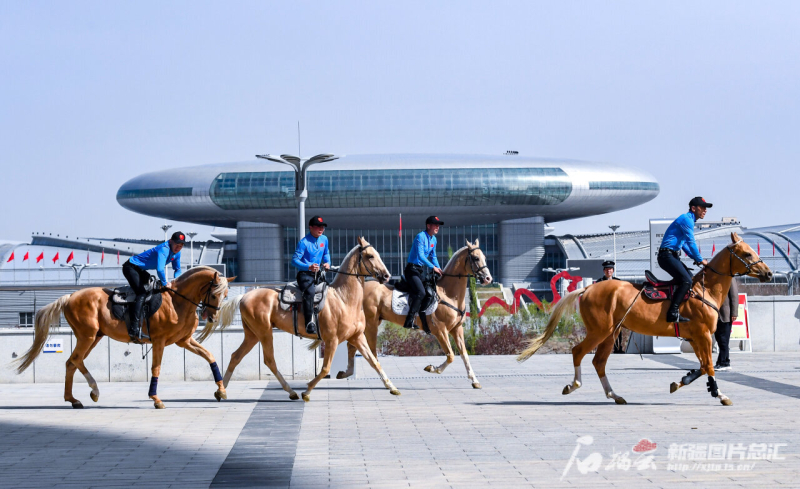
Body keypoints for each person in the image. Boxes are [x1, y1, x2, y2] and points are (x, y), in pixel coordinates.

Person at [122, 231, 185, 342]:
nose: (178, 248)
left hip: (140, 270)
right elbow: (160, 269)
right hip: (130, 267)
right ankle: (134, 328)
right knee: (141, 293)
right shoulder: (164, 249)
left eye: (181, 246)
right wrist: (165, 283)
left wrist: (176, 281)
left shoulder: (177, 253)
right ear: (170, 241)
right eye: (176, 245)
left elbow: (177, 269)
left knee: (154, 287)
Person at [657, 197, 711, 323]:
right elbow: (691, 243)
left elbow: (684, 245)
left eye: (705, 208)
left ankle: (680, 309)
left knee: (690, 279)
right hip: (666, 256)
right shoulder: (687, 220)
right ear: (693, 208)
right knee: (686, 280)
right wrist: (700, 259)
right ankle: (672, 313)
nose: (705, 210)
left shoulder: (688, 220)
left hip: (671, 255)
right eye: (702, 207)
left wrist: (695, 258)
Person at [292, 216, 331, 335]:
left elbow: (326, 253)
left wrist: (328, 263)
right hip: (304, 275)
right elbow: (294, 260)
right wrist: (308, 266)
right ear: (310, 228)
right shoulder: (303, 243)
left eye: (322, 227)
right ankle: (309, 322)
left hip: (319, 274)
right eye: (318, 227)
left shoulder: (324, 239)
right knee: (310, 293)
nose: (321, 229)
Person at [403, 216, 444, 329]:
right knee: (421, 292)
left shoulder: (434, 240)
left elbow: (433, 256)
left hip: (419, 271)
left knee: (429, 292)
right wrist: (432, 267)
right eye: (435, 224)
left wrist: (439, 268)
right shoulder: (420, 237)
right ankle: (408, 321)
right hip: (411, 270)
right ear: (428, 226)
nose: (437, 227)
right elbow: (421, 256)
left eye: (438, 225)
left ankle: (422, 317)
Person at [714, 279, 739, 371]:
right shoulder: (716, 276)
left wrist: (734, 313)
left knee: (724, 339)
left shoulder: (730, 278)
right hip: (716, 314)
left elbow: (734, 296)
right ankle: (722, 361)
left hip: (726, 314)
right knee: (719, 339)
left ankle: (724, 362)